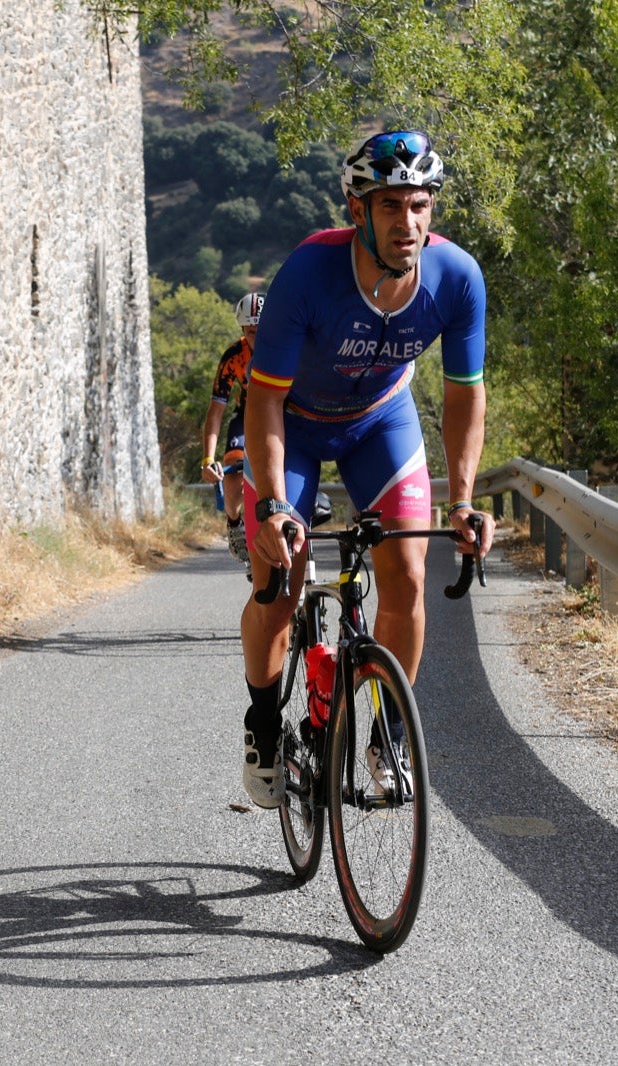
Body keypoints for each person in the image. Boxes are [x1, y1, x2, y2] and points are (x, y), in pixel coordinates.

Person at [236, 130, 495, 808]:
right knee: (278, 581)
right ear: (358, 210)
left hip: (379, 423)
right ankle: (264, 723)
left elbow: (466, 394)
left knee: (407, 573)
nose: (407, 223)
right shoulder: (309, 274)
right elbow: (262, 397)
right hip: (291, 424)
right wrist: (270, 507)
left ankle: (387, 737)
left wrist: (463, 501)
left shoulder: (457, 278)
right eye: (389, 207)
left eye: (419, 205)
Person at [199, 292, 265, 572]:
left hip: (287, 415)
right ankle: (234, 522)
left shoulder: (288, 345)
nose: (257, 337)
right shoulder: (233, 357)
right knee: (233, 471)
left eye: (263, 330)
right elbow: (216, 410)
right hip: (248, 416)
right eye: (251, 332)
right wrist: (207, 459)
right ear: (242, 330)